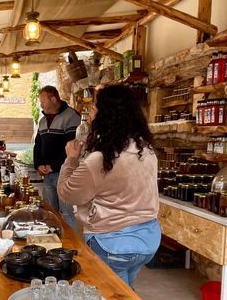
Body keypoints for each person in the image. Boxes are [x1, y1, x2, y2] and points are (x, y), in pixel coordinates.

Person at [57, 84, 160, 288]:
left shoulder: (101, 160)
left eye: (94, 108)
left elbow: (68, 193)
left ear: (106, 116)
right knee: (126, 294)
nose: (90, 114)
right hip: (147, 240)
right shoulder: (146, 150)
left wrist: (70, 160)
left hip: (112, 243)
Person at [33, 85, 80, 231]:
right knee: (50, 213)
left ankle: (70, 247)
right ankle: (53, 244)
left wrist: (53, 166)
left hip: (63, 173)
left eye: (43, 102)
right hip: (47, 175)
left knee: (66, 213)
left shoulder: (71, 117)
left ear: (53, 99)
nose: (41, 106)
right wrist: (38, 165)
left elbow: (72, 147)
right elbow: (37, 145)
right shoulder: (42, 121)